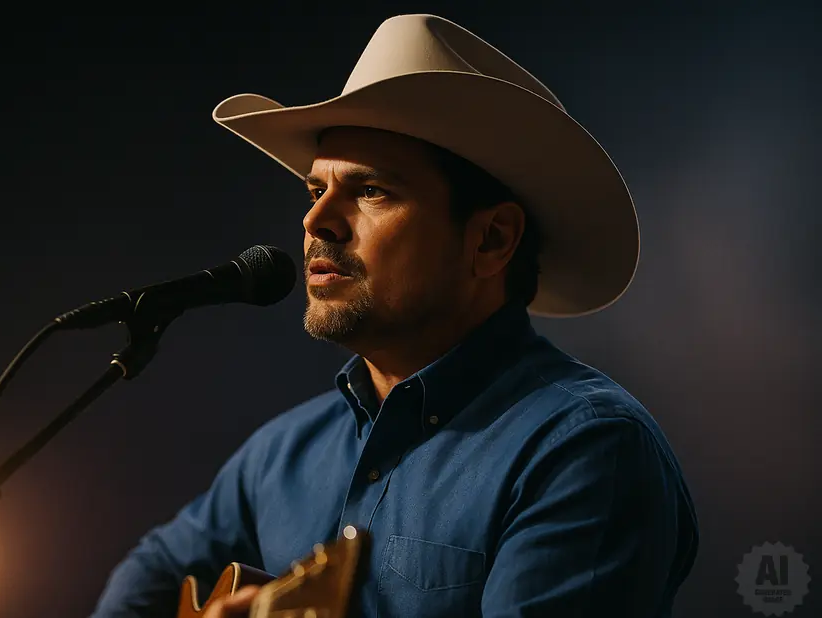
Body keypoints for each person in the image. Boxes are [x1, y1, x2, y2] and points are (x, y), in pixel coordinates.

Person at [90, 13, 699, 618]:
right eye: (315, 190)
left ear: (490, 240)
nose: (315, 221)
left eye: (372, 190)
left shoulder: (584, 448)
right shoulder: (283, 453)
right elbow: (148, 577)